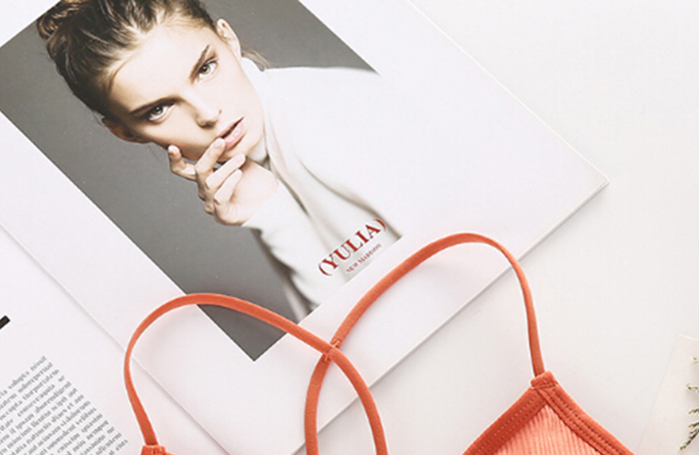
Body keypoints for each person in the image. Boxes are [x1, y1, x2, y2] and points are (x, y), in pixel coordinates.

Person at [37, 0, 427, 314]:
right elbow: (348, 347)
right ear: (124, 132)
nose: (208, 113)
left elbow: (390, 338)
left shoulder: (327, 121)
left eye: (206, 68)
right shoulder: (258, 165)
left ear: (229, 39)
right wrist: (272, 215)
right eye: (159, 109)